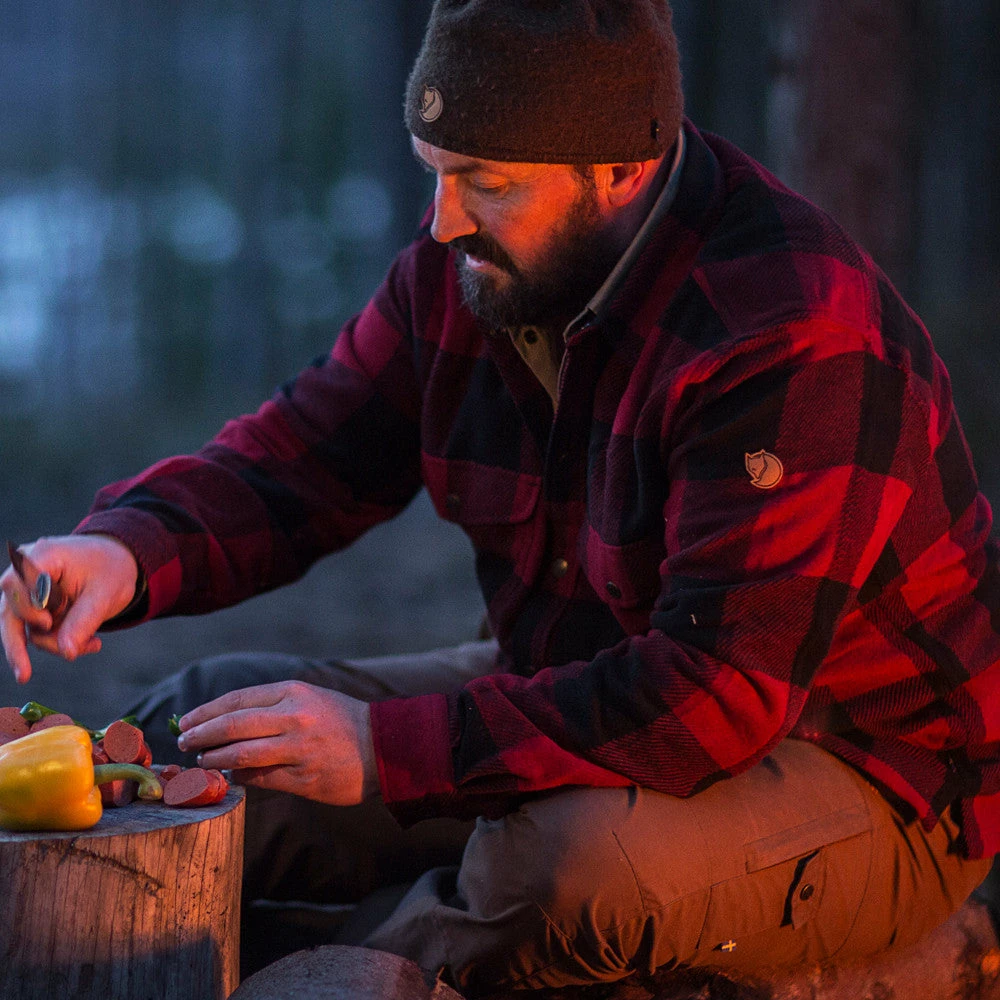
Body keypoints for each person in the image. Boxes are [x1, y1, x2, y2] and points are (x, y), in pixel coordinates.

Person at [2, 0, 998, 994]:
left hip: (866, 770)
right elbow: (306, 457)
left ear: (621, 167)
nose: (443, 221)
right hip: (583, 683)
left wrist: (382, 748)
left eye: (486, 182)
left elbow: (712, 695)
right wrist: (126, 550)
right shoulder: (477, 265)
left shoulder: (786, 331)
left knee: (561, 869)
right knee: (203, 730)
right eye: (434, 170)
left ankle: (314, 969)